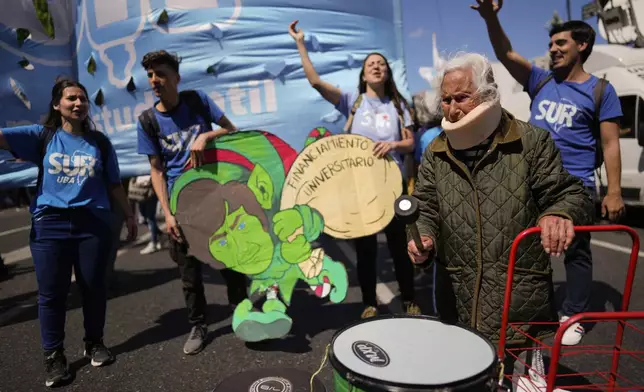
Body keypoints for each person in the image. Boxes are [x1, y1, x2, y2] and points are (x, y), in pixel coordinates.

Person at [407, 52, 594, 387]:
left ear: (489, 94)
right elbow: (426, 207)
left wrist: (559, 213)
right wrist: (422, 236)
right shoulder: (436, 151)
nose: (452, 107)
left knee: (513, 378)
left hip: (518, 293)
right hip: (457, 291)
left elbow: (571, 193)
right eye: (446, 99)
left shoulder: (531, 141)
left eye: (461, 97)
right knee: (463, 375)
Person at [473, 0, 625, 346]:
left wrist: (614, 191)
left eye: (561, 44)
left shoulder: (601, 91)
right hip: (529, 182)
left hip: (575, 185)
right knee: (523, 248)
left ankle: (573, 314)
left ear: (582, 46)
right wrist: (490, 17)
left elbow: (611, 144)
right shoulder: (540, 81)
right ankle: (527, 310)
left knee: (576, 252)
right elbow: (506, 52)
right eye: (551, 44)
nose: (552, 49)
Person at [0, 78, 137, 388]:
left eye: (82, 99)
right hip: (51, 225)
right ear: (56, 105)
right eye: (71, 98)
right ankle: (54, 356)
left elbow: (114, 183)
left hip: (93, 224)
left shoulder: (100, 142)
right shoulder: (41, 137)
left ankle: (94, 342)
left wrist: (129, 215)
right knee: (51, 294)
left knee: (93, 288)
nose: (78, 103)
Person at [289, 20, 420, 318]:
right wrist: (300, 43)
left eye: (381, 64)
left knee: (400, 247)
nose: (377, 67)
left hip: (394, 186)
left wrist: (394, 146)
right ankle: (369, 303)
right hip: (361, 189)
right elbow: (315, 82)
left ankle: (410, 299)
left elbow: (411, 144)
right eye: (371, 64)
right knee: (366, 250)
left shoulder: (400, 106)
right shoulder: (352, 101)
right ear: (363, 74)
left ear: (387, 73)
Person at [136, 50, 248, 355]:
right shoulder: (147, 120)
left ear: (176, 78)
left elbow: (232, 130)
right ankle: (198, 324)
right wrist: (168, 214)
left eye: (160, 74)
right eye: (150, 75)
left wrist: (207, 136)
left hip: (215, 198)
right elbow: (156, 170)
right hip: (181, 209)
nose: (154, 80)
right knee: (189, 274)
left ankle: (242, 312)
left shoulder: (197, 100)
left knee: (230, 261)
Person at [128, 175, 162, 255]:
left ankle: (154, 242)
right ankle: (159, 234)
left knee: (150, 217)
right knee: (142, 219)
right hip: (140, 190)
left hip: (150, 190)